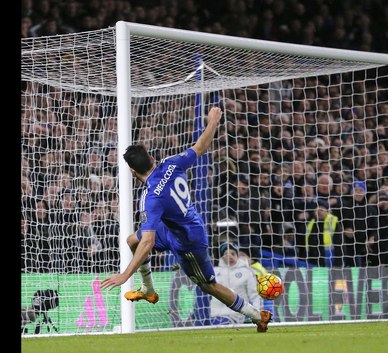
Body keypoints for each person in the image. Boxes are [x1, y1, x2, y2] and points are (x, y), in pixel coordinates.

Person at [99, 107, 271, 332]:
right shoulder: (172, 163)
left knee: (209, 285)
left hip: (188, 241)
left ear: (132, 171)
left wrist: (124, 275)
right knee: (132, 240)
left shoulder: (150, 198)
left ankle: (257, 315)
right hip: (173, 228)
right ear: (151, 158)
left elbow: (149, 243)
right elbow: (200, 146)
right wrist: (212, 121)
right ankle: (148, 290)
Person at [190, 242, 263, 325]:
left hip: (234, 316)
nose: (230, 256)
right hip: (212, 315)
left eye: (233, 253)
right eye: (226, 254)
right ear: (221, 257)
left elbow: (255, 296)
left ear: (237, 256)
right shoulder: (214, 271)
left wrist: (258, 315)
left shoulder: (247, 272)